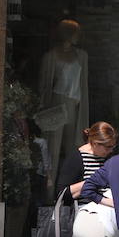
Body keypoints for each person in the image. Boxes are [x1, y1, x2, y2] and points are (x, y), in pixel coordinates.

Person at [39, 19, 91, 169]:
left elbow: (83, 84)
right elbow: (44, 85)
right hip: (57, 103)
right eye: (75, 33)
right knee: (53, 151)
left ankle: (68, 189)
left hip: (73, 105)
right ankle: (49, 189)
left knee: (72, 150)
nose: (78, 36)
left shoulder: (82, 56)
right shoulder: (51, 56)